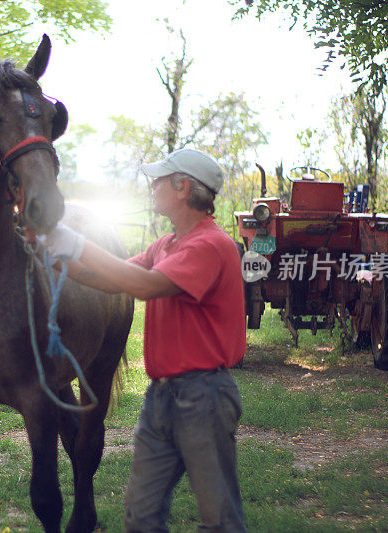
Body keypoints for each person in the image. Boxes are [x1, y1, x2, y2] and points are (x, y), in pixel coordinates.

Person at [39, 148, 247, 532]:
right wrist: (55, 257)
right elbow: (110, 280)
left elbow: (144, 286)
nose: (152, 187)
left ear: (182, 187)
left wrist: (80, 244)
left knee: (221, 520)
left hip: (204, 398)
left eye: (159, 180)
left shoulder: (209, 246)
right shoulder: (166, 245)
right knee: (141, 516)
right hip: (162, 398)